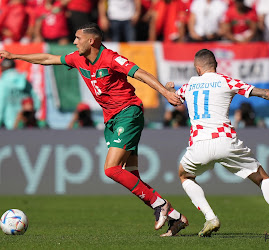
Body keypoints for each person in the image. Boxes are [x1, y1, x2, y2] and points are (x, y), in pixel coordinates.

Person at [0, 22, 188, 236]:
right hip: (112, 120)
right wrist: (15, 56)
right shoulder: (78, 58)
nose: (74, 42)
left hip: (128, 113)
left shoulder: (111, 58)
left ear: (91, 40)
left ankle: (161, 205)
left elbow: (141, 73)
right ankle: (174, 216)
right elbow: (48, 59)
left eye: (77, 38)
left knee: (111, 169)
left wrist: (165, 92)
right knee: (130, 174)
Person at [165, 49, 269, 237]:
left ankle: (210, 217)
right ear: (216, 65)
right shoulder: (226, 81)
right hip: (225, 141)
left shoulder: (190, 85)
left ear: (198, 68)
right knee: (262, 177)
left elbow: (173, 100)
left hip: (199, 144)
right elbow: (265, 93)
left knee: (184, 176)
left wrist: (170, 89)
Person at [0, 59, 40, 130]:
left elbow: (1, 103)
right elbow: (37, 101)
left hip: (8, 123)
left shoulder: (3, 82)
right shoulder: (23, 79)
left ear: (2, 67)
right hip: (26, 124)